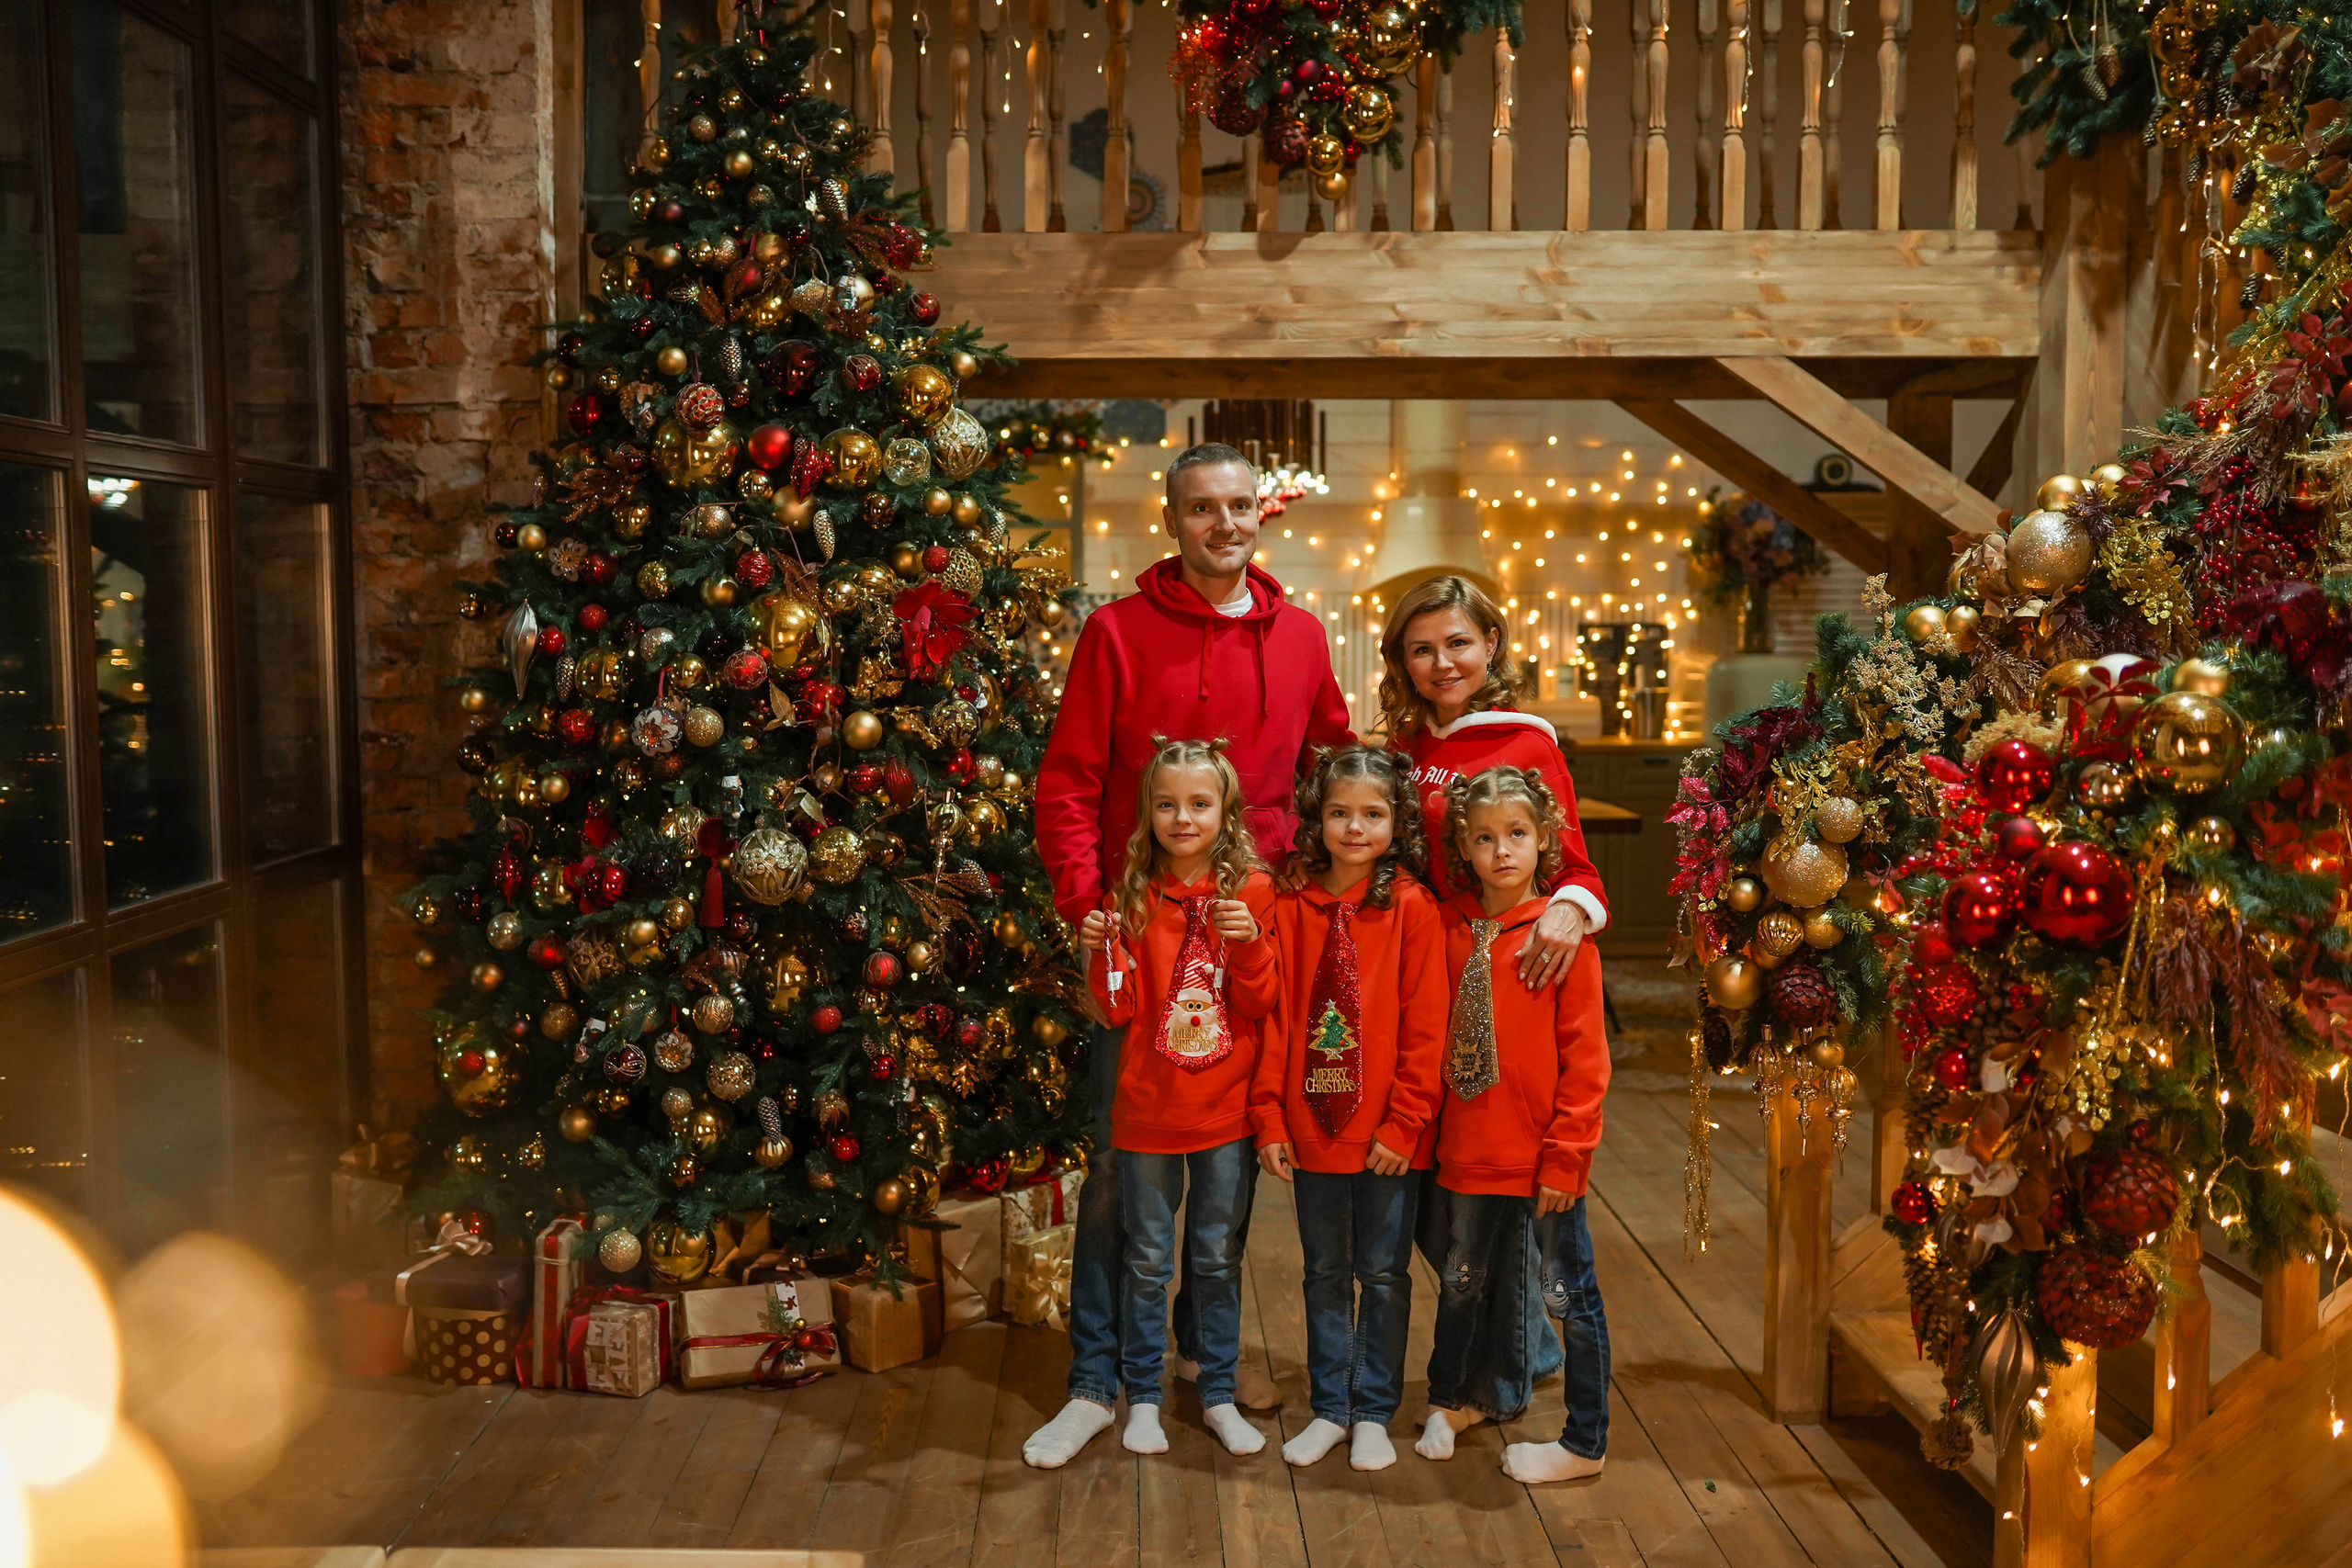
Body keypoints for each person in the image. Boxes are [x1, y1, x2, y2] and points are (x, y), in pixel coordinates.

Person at [1028, 443, 1352, 1468]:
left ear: (1263, 514)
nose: (1224, 524)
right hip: (1138, 938)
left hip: (1250, 940)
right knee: (1117, 1175)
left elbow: (1329, 772)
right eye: (1203, 508)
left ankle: (1196, 1364)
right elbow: (1068, 783)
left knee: (1225, 1178)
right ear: (1172, 520)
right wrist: (1090, 909)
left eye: (1240, 505)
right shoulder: (1117, 634)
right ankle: (1095, 1379)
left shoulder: (1301, 637)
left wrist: (1304, 904)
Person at [1250, 746, 1450, 1472]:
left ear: (1398, 823)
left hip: (1390, 1135)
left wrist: (1405, 1123)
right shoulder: (1291, 904)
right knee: (1324, 1271)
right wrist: (1270, 1117)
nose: (1356, 827)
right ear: (1317, 818)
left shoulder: (1413, 908)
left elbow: (1427, 1024)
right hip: (1312, 1128)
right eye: (1340, 812)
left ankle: (1373, 1410)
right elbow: (1276, 1019)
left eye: (1372, 813)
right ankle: (1331, 1407)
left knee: (1385, 1274)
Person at [1080, 739, 1279, 1459]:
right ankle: (1143, 1398)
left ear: (1226, 811)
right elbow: (1115, 1008)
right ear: (1148, 813)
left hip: (1224, 1113)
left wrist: (1248, 943)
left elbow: (1260, 1001)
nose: (1183, 817)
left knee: (1217, 1258)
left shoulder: (1252, 891)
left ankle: (1217, 1392)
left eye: (1199, 803)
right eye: (1166, 804)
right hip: (1146, 1113)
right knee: (1145, 1261)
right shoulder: (1130, 895)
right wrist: (1100, 949)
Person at [1415, 767, 1612, 1484]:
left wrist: (1567, 1157)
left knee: (1568, 1296)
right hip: (1467, 1150)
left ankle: (1585, 1441)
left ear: (1544, 839)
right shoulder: (1446, 926)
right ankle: (1453, 1399)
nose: (1502, 850)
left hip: (1542, 1160)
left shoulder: (1563, 940)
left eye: (1518, 834)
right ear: (1462, 848)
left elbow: (1586, 1062)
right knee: (1462, 1282)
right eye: (1484, 838)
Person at [1377, 574, 1608, 984]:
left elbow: (1574, 871)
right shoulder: (1402, 745)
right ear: (1404, 662)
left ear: (1490, 643)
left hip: (1496, 959)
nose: (1442, 664)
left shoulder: (1529, 745)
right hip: (1408, 953)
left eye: (1457, 643)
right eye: (1422, 650)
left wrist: (1570, 908)